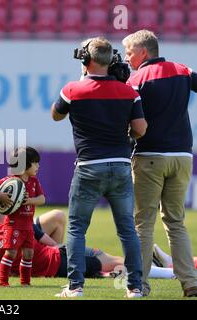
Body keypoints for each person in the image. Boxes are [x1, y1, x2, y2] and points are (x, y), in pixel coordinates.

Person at [51, 37, 148, 298]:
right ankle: (135, 287)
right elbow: (140, 129)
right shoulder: (129, 91)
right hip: (120, 165)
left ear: (86, 60)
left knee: (76, 228)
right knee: (126, 228)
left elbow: (56, 114)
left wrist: (81, 81)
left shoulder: (72, 90)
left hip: (88, 167)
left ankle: (75, 287)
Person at [122, 29, 197, 298]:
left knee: (143, 223)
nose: (127, 58)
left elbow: (128, 117)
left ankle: (139, 285)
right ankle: (189, 282)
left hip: (150, 155)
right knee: (176, 221)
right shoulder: (182, 70)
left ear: (143, 52)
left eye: (130, 52)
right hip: (183, 156)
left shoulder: (136, 78)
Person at [0, 224, 177, 280]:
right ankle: (166, 269)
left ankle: (161, 266)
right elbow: (51, 244)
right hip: (62, 258)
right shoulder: (24, 224)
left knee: (113, 263)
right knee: (113, 264)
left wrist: (15, 270)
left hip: (63, 259)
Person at [0, 147, 46, 287]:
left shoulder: (34, 181)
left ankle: (25, 282)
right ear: (25, 164)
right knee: (11, 253)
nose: (38, 166)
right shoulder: (11, 181)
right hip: (13, 225)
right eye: (35, 163)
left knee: (28, 253)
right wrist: (2, 195)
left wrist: (29, 200)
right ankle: (3, 282)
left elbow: (42, 199)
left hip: (28, 226)